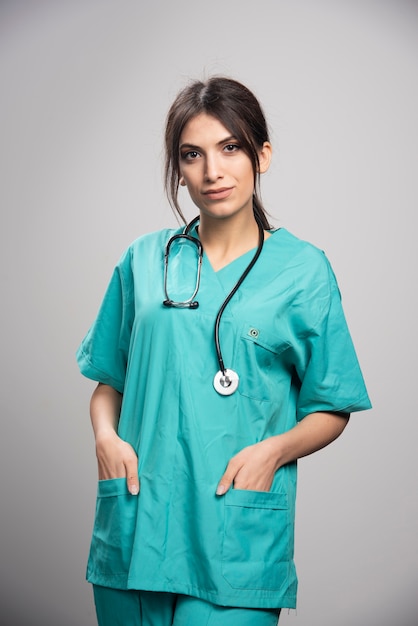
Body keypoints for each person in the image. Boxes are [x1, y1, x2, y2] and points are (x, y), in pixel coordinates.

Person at [77, 76, 371, 626]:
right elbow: (108, 382)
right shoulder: (143, 262)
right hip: (137, 525)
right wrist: (104, 437)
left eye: (230, 148)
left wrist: (274, 452)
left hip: (233, 532)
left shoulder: (304, 271)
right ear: (179, 168)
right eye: (192, 155)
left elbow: (332, 405)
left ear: (262, 154)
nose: (212, 171)